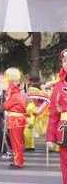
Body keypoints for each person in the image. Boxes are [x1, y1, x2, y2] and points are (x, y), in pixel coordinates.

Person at [46, 49, 67, 183]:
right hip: (65, 130)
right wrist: (50, 137)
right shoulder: (58, 86)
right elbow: (53, 114)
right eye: (65, 61)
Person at [2, 67, 27, 168]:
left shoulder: (14, 95)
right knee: (18, 142)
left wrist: (6, 99)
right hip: (18, 120)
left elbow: (6, 106)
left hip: (15, 120)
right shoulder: (18, 95)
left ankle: (18, 161)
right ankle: (18, 159)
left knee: (16, 142)